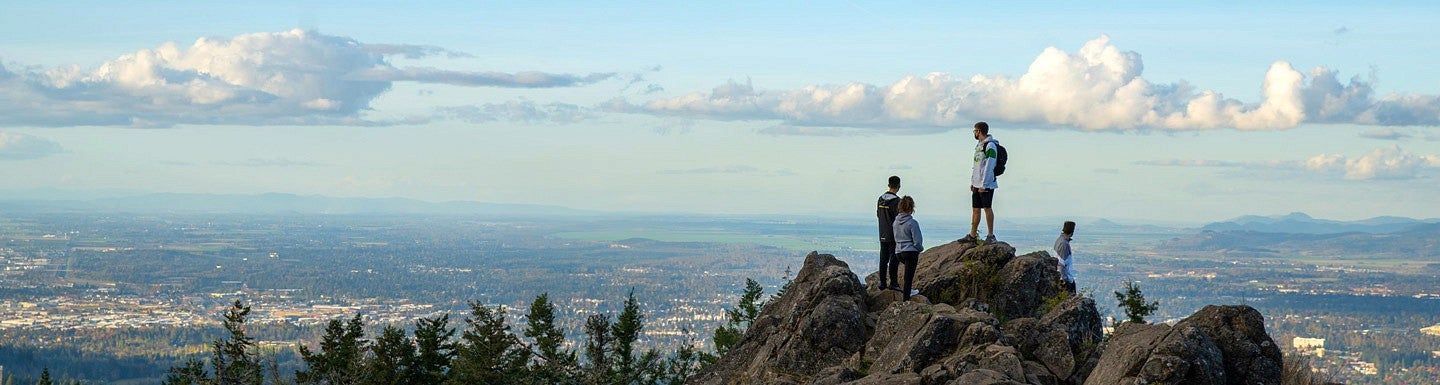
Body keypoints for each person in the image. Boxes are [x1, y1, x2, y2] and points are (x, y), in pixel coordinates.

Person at [960, 121, 1000, 243]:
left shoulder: (990, 146)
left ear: (979, 131)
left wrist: (984, 184)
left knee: (987, 208)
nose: (974, 133)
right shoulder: (979, 146)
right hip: (977, 183)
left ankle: (990, 235)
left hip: (986, 184)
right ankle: (972, 235)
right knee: (976, 209)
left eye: (975, 131)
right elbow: (976, 166)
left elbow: (989, 165)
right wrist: (973, 182)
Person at [892, 196, 924, 300]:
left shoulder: (895, 222)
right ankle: (906, 300)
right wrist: (919, 249)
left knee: (907, 274)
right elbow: (917, 241)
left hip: (898, 253)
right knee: (908, 278)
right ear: (911, 208)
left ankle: (907, 291)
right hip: (910, 252)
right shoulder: (912, 223)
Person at [876, 176, 902, 291]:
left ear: (888, 185)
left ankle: (882, 283)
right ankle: (893, 283)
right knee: (893, 259)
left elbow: (878, 214)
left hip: (882, 233)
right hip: (893, 234)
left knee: (883, 259)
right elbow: (899, 219)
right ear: (899, 186)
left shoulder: (880, 199)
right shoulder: (897, 201)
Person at [1054, 221, 1077, 293]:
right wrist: (1064, 280)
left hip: (1065, 277)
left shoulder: (1060, 240)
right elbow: (1061, 263)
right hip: (1065, 280)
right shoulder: (1064, 244)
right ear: (1072, 231)